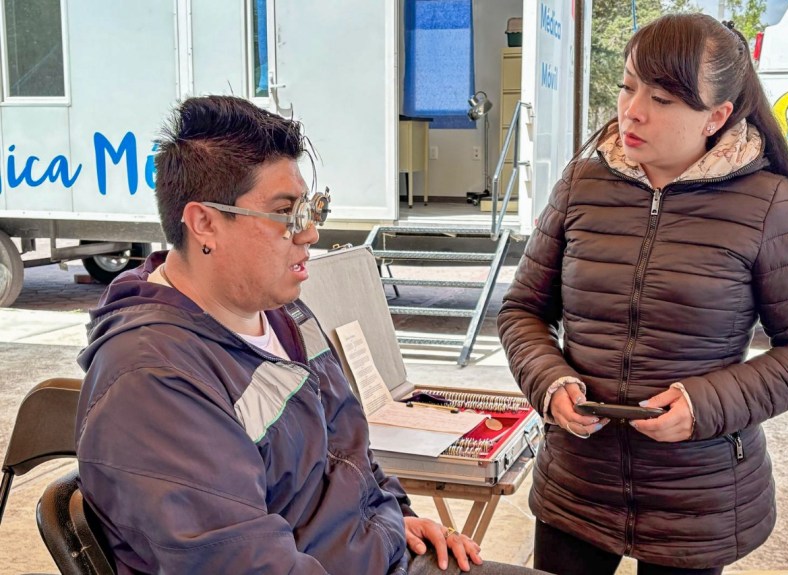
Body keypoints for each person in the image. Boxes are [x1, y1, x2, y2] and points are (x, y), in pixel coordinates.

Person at [75, 95, 544, 575]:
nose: (310, 234)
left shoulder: (283, 312)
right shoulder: (154, 381)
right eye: (287, 214)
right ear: (205, 224)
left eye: (312, 208)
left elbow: (347, 440)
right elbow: (245, 563)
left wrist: (395, 516)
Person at [497, 14, 788, 575]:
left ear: (717, 116)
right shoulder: (581, 185)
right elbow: (522, 311)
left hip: (698, 499)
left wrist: (703, 405)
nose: (632, 110)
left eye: (660, 97)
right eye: (628, 86)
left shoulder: (766, 204)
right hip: (577, 484)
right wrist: (549, 381)